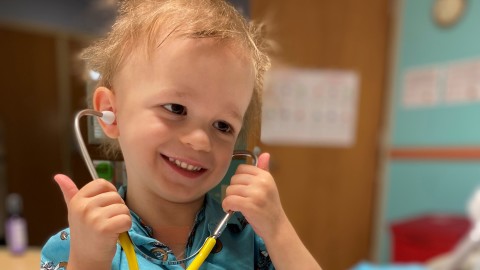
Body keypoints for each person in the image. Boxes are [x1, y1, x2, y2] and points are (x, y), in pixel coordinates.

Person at [41, 0, 322, 269]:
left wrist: (280, 230)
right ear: (111, 112)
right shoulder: (77, 244)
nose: (199, 141)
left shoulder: (253, 240)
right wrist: (89, 262)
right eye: (176, 108)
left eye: (223, 125)